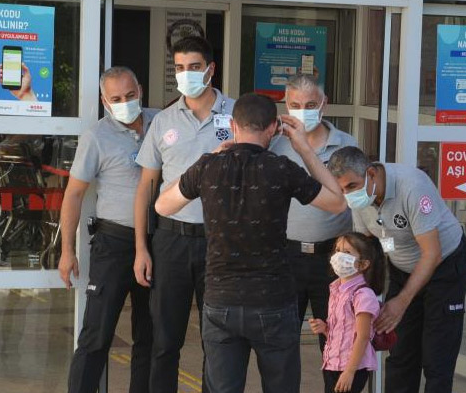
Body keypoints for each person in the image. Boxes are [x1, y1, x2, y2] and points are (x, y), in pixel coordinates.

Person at [154, 93, 346, 393]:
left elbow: (162, 206)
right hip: (273, 301)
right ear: (273, 128)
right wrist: (305, 150)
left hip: (220, 301)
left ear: (233, 125)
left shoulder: (208, 167)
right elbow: (336, 202)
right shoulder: (282, 168)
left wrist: (210, 157)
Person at [132, 36, 236, 393]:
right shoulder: (163, 121)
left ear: (211, 69)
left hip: (219, 243)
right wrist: (141, 248)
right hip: (170, 241)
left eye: (194, 67)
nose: (186, 74)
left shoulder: (237, 116)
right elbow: (146, 186)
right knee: (165, 341)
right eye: (179, 68)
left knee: (218, 342)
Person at [327, 146, 466, 393]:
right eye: (341, 189)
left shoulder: (412, 187)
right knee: (400, 351)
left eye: (351, 186)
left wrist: (401, 302)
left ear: (371, 174)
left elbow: (431, 253)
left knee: (437, 356)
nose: (348, 195)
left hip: (444, 265)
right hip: (401, 266)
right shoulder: (360, 200)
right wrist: (358, 296)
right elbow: (367, 247)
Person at [58, 66, 157, 393]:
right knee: (96, 336)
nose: (125, 102)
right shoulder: (96, 137)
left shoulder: (163, 123)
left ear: (140, 89)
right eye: (116, 98)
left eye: (130, 95)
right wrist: (67, 251)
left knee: (151, 338)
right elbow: (73, 194)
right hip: (114, 244)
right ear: (104, 100)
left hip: (159, 244)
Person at [269, 74, 357, 357]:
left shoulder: (346, 145)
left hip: (332, 258)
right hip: (287, 255)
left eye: (310, 104)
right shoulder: (275, 144)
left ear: (324, 104)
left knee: (336, 340)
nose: (302, 111)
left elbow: (354, 199)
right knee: (281, 344)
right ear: (285, 103)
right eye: (295, 104)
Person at [309, 232, 386, 393]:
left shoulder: (363, 295)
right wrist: (325, 329)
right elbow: (344, 332)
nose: (339, 256)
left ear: (363, 264)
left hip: (351, 367)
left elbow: (363, 336)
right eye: (337, 250)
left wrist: (349, 372)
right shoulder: (336, 289)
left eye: (347, 252)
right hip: (332, 363)